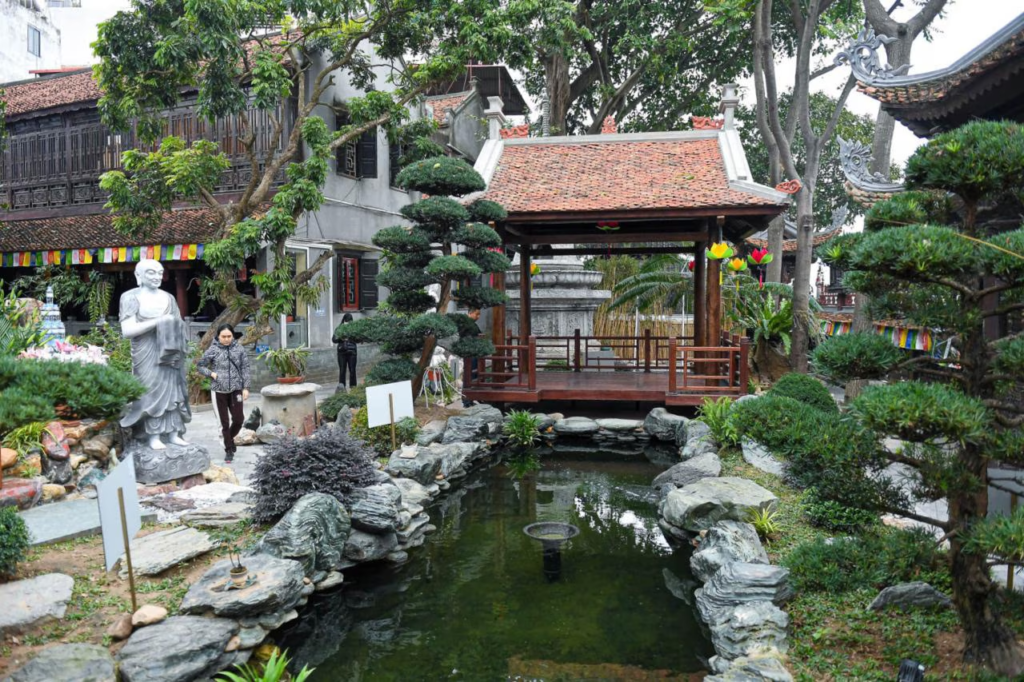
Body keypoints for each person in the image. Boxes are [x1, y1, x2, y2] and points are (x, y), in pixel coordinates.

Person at [119, 259, 191, 450]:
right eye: (151, 272)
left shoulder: (168, 298)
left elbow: (178, 324)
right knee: (151, 393)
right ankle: (153, 436)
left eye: (159, 273)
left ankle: (174, 433)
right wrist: (159, 321)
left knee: (173, 391)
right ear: (138, 276)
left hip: (169, 350)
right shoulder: (130, 297)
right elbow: (128, 330)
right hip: (147, 352)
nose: (157, 276)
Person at [196, 324, 251, 463]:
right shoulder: (213, 349)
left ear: (233, 336)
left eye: (229, 336)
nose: (226, 339)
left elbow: (245, 368)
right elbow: (200, 365)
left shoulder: (239, 349)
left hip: (236, 389)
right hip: (218, 390)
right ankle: (228, 450)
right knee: (223, 423)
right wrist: (212, 374)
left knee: (239, 419)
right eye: (223, 337)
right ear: (218, 336)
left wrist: (246, 387)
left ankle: (229, 439)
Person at [332, 313, 358, 390]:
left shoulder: (354, 328)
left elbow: (358, 338)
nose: (348, 323)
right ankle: (342, 387)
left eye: (349, 321)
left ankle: (353, 387)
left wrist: (352, 336)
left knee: (352, 370)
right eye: (347, 321)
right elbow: (334, 339)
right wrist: (341, 338)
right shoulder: (339, 328)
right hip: (342, 352)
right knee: (342, 370)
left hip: (352, 351)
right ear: (344, 320)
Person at [462, 308, 482, 408]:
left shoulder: (473, 324)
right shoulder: (465, 324)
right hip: (469, 353)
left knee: (474, 375)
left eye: (479, 315)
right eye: (476, 314)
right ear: (470, 313)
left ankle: (471, 398)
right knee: (468, 375)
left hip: (475, 352)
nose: (478, 317)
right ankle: (466, 399)